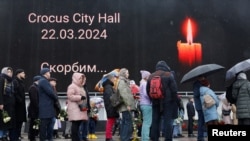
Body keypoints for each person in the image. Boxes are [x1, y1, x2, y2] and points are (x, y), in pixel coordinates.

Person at [146, 60, 178, 141]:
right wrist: (174, 101)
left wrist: (152, 99)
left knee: (155, 121)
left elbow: (148, 90)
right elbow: (174, 90)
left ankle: (154, 138)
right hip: (168, 101)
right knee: (167, 121)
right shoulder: (169, 75)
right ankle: (168, 138)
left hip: (155, 101)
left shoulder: (151, 76)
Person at [66, 72, 89, 141]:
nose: (81, 79)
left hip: (80, 108)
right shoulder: (72, 86)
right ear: (76, 78)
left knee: (77, 124)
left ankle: (76, 138)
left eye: (82, 78)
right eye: (80, 78)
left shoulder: (80, 87)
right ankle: (75, 139)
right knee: (75, 124)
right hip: (75, 108)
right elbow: (70, 96)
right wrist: (80, 97)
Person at [38, 68, 58, 141]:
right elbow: (50, 92)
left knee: (47, 126)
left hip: (47, 108)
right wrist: (56, 98)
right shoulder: (43, 81)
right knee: (44, 126)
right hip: (45, 108)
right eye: (49, 72)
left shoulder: (44, 81)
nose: (50, 74)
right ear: (45, 73)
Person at [117, 68, 135, 141]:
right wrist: (128, 104)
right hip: (126, 106)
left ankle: (124, 138)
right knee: (127, 123)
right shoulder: (122, 82)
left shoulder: (124, 81)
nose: (128, 74)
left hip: (126, 106)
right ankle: (125, 138)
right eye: (127, 73)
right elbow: (124, 94)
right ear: (123, 74)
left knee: (125, 122)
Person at [102, 74, 119, 141]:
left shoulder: (107, 87)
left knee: (110, 121)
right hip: (111, 106)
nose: (115, 80)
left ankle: (109, 136)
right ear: (110, 79)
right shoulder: (109, 87)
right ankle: (108, 137)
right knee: (110, 121)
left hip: (110, 106)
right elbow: (111, 98)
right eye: (114, 79)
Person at [0, 67, 15, 141]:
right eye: (8, 71)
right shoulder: (2, 79)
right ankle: (1, 136)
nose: (10, 73)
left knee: (7, 120)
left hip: (9, 104)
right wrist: (1, 103)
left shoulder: (11, 81)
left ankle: (5, 135)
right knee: (3, 121)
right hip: (3, 104)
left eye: (11, 72)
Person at [12, 69, 27, 141]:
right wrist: (20, 100)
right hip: (17, 107)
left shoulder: (21, 82)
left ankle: (17, 136)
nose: (24, 74)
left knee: (20, 122)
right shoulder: (15, 82)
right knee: (17, 123)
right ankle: (14, 137)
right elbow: (14, 93)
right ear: (18, 74)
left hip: (21, 107)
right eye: (23, 73)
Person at [139, 70, 152, 141]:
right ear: (146, 77)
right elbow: (146, 94)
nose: (150, 77)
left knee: (145, 122)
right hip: (147, 104)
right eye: (149, 76)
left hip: (143, 104)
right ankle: (146, 138)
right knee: (148, 123)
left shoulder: (141, 83)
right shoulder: (145, 84)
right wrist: (152, 97)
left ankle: (143, 138)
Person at [27, 75, 41, 141]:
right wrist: (38, 108)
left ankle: (34, 136)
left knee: (35, 124)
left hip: (35, 109)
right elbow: (34, 100)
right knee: (33, 123)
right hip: (33, 110)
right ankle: (31, 137)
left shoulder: (37, 87)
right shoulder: (33, 88)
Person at [193, 76, 206, 141]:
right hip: (199, 106)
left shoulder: (199, 84)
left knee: (202, 121)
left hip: (200, 105)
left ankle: (201, 136)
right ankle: (200, 137)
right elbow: (196, 94)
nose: (204, 79)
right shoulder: (197, 84)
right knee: (201, 121)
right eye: (203, 77)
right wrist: (202, 90)